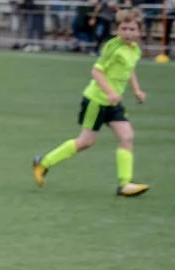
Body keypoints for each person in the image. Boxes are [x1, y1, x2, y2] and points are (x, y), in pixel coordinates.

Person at [33, 10, 149, 197]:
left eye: (132, 29)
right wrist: (110, 92)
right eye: (124, 28)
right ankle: (43, 163)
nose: (128, 33)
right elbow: (96, 72)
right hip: (96, 100)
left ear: (139, 31)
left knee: (127, 137)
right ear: (117, 29)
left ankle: (124, 184)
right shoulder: (113, 47)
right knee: (86, 142)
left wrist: (137, 90)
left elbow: (129, 69)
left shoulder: (135, 49)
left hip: (113, 103)